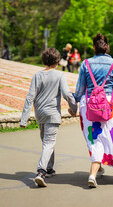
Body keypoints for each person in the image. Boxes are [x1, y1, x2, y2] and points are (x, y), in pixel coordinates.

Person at [72, 33, 113, 188]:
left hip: (88, 106)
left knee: (94, 138)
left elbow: (80, 89)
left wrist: (73, 102)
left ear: (94, 48)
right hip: (109, 106)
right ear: (107, 47)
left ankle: (97, 168)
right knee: (108, 137)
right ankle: (93, 174)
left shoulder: (85, 64)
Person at [20, 48, 77, 187]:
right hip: (52, 114)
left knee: (47, 142)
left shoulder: (37, 75)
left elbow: (30, 97)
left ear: (43, 61)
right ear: (57, 62)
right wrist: (74, 109)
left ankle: (49, 168)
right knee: (48, 143)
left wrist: (24, 119)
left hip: (40, 114)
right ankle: (41, 172)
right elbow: (67, 94)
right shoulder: (60, 75)